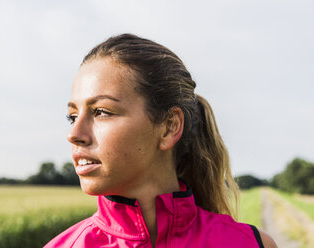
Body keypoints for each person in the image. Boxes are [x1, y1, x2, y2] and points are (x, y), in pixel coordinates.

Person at [44, 34, 277, 248]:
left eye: (102, 111)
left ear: (169, 127)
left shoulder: (252, 244)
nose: (74, 134)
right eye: (72, 116)